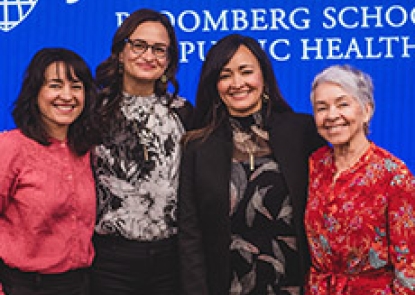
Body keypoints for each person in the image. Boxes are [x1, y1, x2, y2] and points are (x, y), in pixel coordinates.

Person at [178, 33, 326, 295]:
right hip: (227, 286)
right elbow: (190, 235)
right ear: (215, 85)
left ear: (264, 77)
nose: (237, 83)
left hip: (295, 284)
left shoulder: (302, 132)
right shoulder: (197, 146)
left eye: (246, 71)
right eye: (225, 75)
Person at [90, 8, 193, 295]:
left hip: (171, 258)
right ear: (120, 52)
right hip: (110, 260)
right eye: (139, 45)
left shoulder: (183, 113)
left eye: (160, 49)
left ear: (169, 60)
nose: (149, 56)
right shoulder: (92, 110)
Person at [304, 64, 415, 294]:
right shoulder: (315, 164)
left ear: (366, 110)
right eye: (321, 108)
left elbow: (409, 265)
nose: (332, 115)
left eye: (343, 104)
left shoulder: (393, 175)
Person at [0, 48, 99, 295]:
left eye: (76, 87)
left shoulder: (87, 150)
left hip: (80, 284)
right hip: (23, 286)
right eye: (55, 85)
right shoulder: (11, 147)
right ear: (35, 93)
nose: (67, 96)